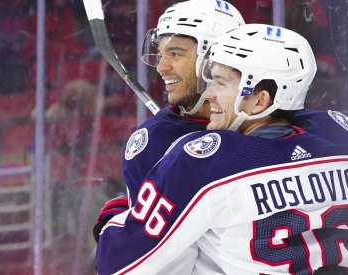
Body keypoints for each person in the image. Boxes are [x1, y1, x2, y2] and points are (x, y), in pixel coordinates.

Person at [95, 24, 348, 274]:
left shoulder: (203, 162)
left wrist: (123, 213)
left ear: (260, 101)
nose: (209, 94)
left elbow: (122, 264)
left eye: (220, 83)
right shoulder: (345, 139)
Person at [93, 0, 245, 239]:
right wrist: (119, 220)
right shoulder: (154, 142)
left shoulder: (260, 121)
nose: (161, 67)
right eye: (161, 54)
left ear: (216, 59)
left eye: (175, 53)